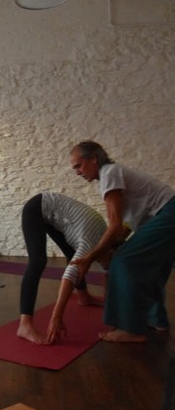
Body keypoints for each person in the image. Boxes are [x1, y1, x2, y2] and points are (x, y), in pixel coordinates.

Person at [69, 140, 175, 343]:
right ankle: (157, 320)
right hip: (165, 218)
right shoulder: (112, 175)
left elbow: (115, 226)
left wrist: (90, 257)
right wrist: (109, 247)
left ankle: (130, 329)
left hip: (169, 215)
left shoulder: (109, 172)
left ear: (94, 159)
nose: (77, 172)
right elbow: (124, 227)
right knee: (151, 267)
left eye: (78, 165)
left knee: (123, 260)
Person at [17, 192, 110, 345]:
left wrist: (110, 302)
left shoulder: (106, 241)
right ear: (110, 251)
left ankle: (84, 296)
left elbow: (107, 270)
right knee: (38, 261)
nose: (103, 267)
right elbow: (70, 274)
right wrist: (56, 318)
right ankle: (24, 325)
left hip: (56, 214)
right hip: (37, 207)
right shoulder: (90, 243)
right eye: (105, 264)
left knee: (72, 253)